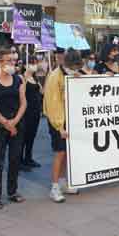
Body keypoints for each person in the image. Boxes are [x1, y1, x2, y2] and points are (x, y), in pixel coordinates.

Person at [0, 48, 27, 210]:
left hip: (17, 125)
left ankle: (12, 191)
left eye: (14, 61)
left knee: (15, 158)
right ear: (0, 62)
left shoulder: (18, 79)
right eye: (9, 60)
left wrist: (14, 122)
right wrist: (6, 123)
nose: (12, 64)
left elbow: (24, 102)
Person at [44, 48, 82, 203]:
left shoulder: (70, 74)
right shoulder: (55, 77)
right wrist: (60, 127)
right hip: (57, 120)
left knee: (67, 153)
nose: (75, 70)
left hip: (68, 117)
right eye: (73, 68)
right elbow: (53, 104)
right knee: (59, 153)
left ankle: (62, 182)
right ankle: (54, 187)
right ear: (66, 64)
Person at [21, 56, 43, 169]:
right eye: (31, 63)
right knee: (24, 136)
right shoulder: (22, 78)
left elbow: (41, 91)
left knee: (32, 136)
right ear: (25, 65)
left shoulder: (35, 78)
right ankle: (19, 161)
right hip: (26, 112)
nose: (34, 65)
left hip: (35, 111)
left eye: (35, 63)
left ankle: (28, 158)